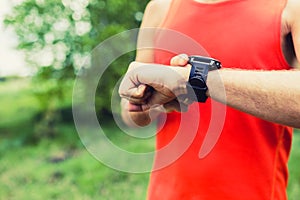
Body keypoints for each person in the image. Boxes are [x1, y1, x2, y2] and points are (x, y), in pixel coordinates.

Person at [119, 0, 300, 199]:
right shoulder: (159, 8)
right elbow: (131, 114)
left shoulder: (289, 7)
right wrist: (150, 101)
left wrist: (195, 79)